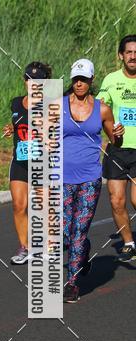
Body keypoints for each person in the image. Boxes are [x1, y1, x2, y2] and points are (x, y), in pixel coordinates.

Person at [62, 59, 123, 303]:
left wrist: (118, 135)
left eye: (84, 79)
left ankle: (72, 283)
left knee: (79, 230)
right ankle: (83, 251)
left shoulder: (102, 109)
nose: (79, 84)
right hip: (61, 178)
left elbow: (114, 140)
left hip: (90, 178)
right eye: (76, 79)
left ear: (91, 80)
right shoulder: (57, 106)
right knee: (66, 232)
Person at [3, 62, 52, 264]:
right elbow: (19, 123)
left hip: (42, 161)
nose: (32, 84)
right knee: (18, 205)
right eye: (29, 80)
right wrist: (11, 128)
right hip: (20, 161)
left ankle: (48, 247)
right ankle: (25, 248)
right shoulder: (16, 103)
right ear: (24, 81)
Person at [97, 34, 136, 262]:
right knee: (116, 200)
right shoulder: (111, 80)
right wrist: (110, 130)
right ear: (121, 55)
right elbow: (100, 108)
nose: (133, 56)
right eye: (129, 52)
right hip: (118, 149)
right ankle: (129, 243)